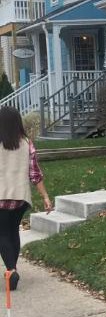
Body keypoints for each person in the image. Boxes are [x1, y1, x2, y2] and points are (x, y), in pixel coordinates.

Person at [0, 107, 52, 290]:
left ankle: (11, 270)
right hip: (21, 198)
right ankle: (12, 270)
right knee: (13, 231)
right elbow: (35, 174)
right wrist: (45, 197)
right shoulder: (27, 143)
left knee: (2, 234)